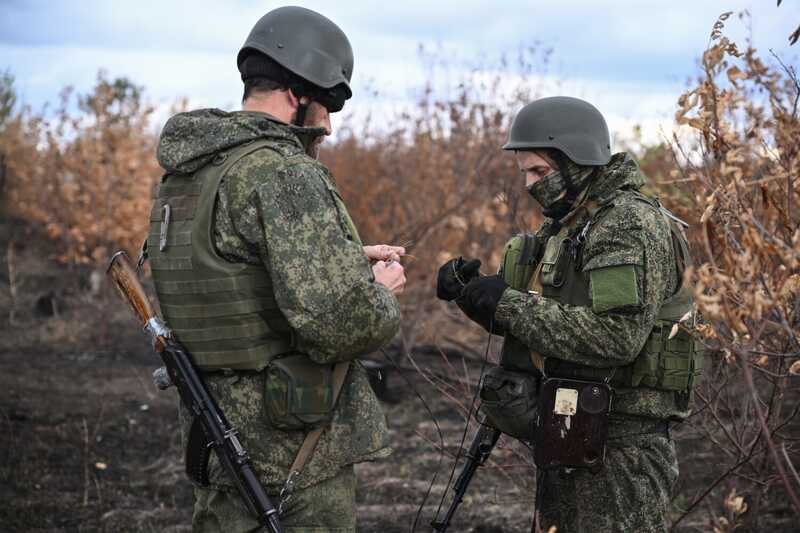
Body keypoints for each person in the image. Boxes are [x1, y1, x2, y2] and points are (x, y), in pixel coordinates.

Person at [148, 6, 406, 532]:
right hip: (289, 448)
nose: (329, 125)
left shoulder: (190, 173)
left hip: (214, 435)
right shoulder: (284, 172)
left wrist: (339, 258)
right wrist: (379, 291)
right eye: (328, 104)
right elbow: (342, 325)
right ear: (298, 93)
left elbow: (227, 269)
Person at [436, 96, 703, 532]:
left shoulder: (627, 226)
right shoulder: (572, 222)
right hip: (572, 429)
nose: (529, 185)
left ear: (578, 161)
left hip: (620, 447)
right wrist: (472, 294)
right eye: (525, 173)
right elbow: (539, 314)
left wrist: (505, 302)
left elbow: (615, 338)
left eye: (540, 171)